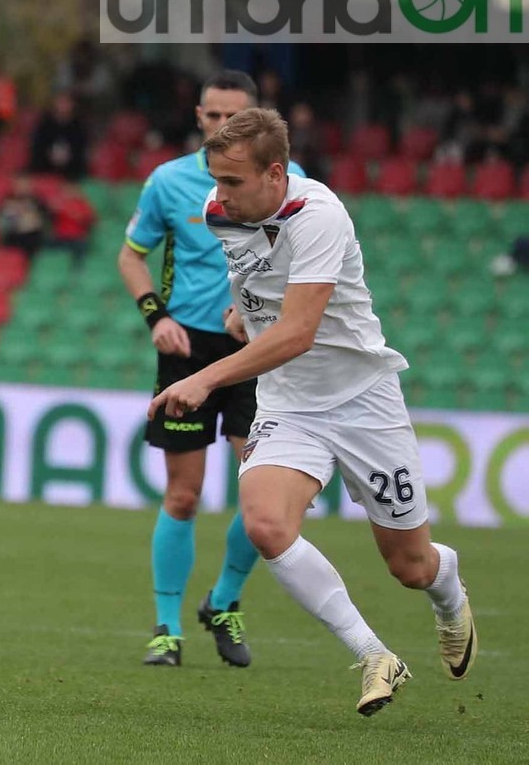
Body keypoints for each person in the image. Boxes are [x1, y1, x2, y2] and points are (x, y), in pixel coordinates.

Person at [149, 107, 475, 715]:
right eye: (215, 178)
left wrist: (206, 378)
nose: (219, 195)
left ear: (276, 173)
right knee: (265, 525)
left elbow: (299, 331)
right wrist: (242, 312)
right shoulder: (222, 214)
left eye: (233, 181)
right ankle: (374, 654)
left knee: (410, 565)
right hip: (289, 403)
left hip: (362, 402)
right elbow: (251, 274)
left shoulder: (318, 215)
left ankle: (448, 589)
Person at [118, 70, 306, 669]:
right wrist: (156, 318)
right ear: (198, 116)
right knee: (184, 493)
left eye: (234, 118)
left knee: (261, 500)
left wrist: (258, 306)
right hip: (186, 352)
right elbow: (131, 256)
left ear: (256, 122)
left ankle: (223, 600)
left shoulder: (292, 185)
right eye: (211, 116)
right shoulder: (169, 182)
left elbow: (304, 262)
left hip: (256, 349)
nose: (220, 127)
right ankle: (167, 629)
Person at [28, 91, 89, 182]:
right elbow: (37, 146)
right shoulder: (44, 123)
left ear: (73, 105)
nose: (63, 106)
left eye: (66, 102)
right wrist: (49, 155)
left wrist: (68, 156)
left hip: (72, 170)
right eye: (60, 102)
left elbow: (81, 148)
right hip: (46, 166)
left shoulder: (79, 125)